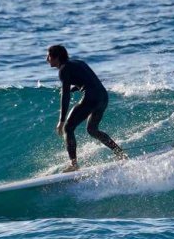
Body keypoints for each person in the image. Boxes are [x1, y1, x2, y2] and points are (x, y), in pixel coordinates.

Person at [46, 44, 126, 172]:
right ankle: (120, 153)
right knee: (92, 129)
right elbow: (89, 79)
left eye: (49, 56)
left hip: (91, 97)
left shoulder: (63, 69)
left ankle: (74, 164)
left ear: (57, 57)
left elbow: (65, 96)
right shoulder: (78, 62)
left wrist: (61, 121)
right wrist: (76, 87)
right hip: (103, 96)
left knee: (68, 128)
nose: (47, 59)